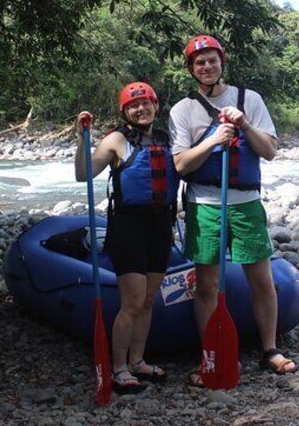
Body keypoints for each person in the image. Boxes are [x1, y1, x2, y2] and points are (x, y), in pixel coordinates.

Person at [168, 34, 298, 387]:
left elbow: (269, 150)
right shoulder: (183, 110)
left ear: (222, 62)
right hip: (204, 205)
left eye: (212, 60)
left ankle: (270, 349)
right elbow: (180, 164)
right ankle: (211, 353)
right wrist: (213, 140)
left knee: (261, 280)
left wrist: (244, 125)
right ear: (192, 69)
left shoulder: (250, 100)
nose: (206, 66)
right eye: (199, 62)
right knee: (207, 285)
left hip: (245, 204)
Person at [75, 82, 178, 394]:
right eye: (134, 105)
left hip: (161, 225)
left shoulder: (168, 139)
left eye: (146, 103)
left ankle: (138, 361)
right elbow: (84, 173)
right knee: (132, 301)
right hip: (128, 227)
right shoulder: (117, 139)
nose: (141, 109)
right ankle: (118, 367)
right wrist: (82, 138)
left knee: (148, 300)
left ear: (155, 106)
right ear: (125, 111)